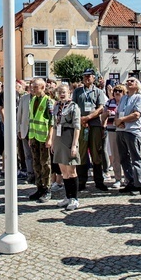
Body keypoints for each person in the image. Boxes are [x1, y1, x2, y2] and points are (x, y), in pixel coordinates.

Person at [73, 69, 109, 192]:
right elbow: (74, 106)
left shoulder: (98, 91)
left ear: (94, 78)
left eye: (89, 76)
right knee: (82, 153)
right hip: (81, 125)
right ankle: (81, 181)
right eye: (85, 76)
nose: (87, 78)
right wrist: (81, 119)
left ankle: (99, 181)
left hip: (94, 124)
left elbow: (101, 108)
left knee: (96, 152)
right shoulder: (78, 91)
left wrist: (88, 117)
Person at [115, 77, 141, 195]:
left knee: (135, 158)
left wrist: (121, 120)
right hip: (121, 130)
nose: (129, 82)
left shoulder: (139, 98)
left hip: (133, 131)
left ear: (137, 85)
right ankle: (130, 181)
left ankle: (139, 185)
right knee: (124, 158)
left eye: (132, 81)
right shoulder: (124, 97)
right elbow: (118, 112)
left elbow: (137, 114)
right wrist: (117, 121)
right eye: (127, 81)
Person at [52, 83, 81, 211]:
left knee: (71, 171)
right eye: (60, 92)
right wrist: (53, 142)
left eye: (64, 92)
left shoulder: (74, 107)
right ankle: (67, 197)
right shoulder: (56, 106)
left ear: (69, 92)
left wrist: (74, 145)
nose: (62, 94)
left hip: (69, 138)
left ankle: (74, 198)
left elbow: (77, 127)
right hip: (58, 139)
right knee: (63, 171)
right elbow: (54, 124)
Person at [26, 78, 54, 202]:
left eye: (36, 87)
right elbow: (31, 119)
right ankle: (39, 187)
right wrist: (30, 137)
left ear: (43, 88)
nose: (33, 89)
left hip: (44, 137)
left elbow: (51, 121)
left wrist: (50, 138)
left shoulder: (48, 101)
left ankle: (47, 189)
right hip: (35, 137)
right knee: (36, 163)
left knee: (45, 163)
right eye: (32, 87)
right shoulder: (32, 100)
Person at [104, 85, 124, 189]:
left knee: (126, 155)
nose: (117, 92)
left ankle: (128, 178)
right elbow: (103, 115)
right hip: (112, 130)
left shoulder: (126, 102)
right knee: (115, 156)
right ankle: (118, 178)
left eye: (120, 91)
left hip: (124, 131)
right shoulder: (109, 102)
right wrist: (106, 114)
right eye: (115, 91)